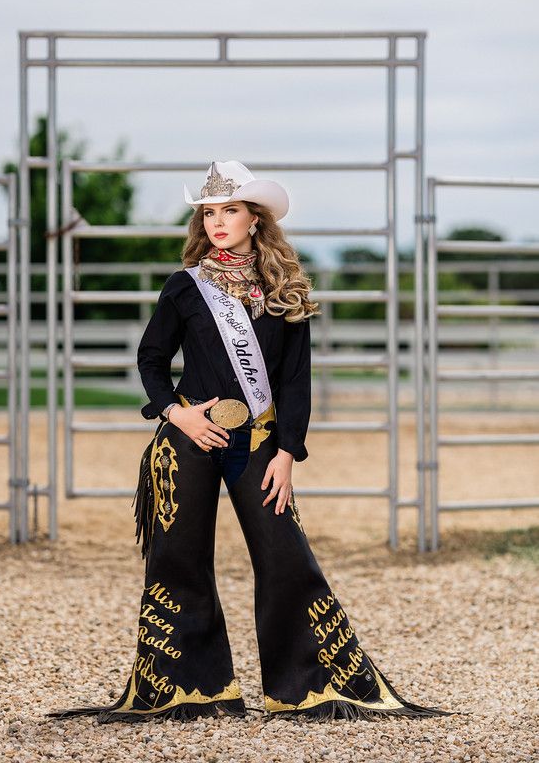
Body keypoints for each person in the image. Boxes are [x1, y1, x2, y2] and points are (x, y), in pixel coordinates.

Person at [46, 161, 456, 724]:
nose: (217, 222)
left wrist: (288, 452)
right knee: (178, 559)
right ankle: (191, 689)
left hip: (260, 441)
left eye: (229, 210)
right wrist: (175, 414)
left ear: (254, 218)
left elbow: (294, 380)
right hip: (190, 437)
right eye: (208, 213)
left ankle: (306, 688)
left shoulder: (285, 290)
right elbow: (150, 359)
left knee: (285, 554)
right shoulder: (185, 285)